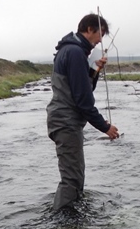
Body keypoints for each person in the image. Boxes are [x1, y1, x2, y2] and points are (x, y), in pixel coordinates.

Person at [46, 13, 120, 212]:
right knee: (72, 179)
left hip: (63, 121)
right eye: (100, 34)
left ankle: (72, 224)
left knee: (75, 176)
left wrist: (94, 71)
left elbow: (82, 89)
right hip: (66, 122)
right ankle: (63, 226)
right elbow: (83, 100)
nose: (100, 40)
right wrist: (105, 127)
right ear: (89, 29)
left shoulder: (69, 50)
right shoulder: (75, 52)